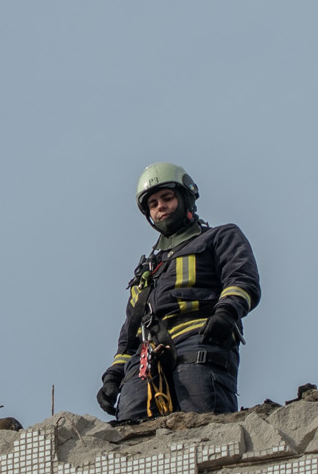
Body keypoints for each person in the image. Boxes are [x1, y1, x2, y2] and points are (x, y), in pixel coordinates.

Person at [98, 162, 261, 421]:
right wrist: (114, 375)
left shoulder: (219, 237)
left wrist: (226, 313)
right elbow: (129, 333)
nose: (160, 206)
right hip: (145, 363)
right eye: (153, 204)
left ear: (186, 198)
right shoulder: (146, 270)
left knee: (205, 428)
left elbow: (242, 279)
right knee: (131, 438)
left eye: (166, 198)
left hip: (200, 342)